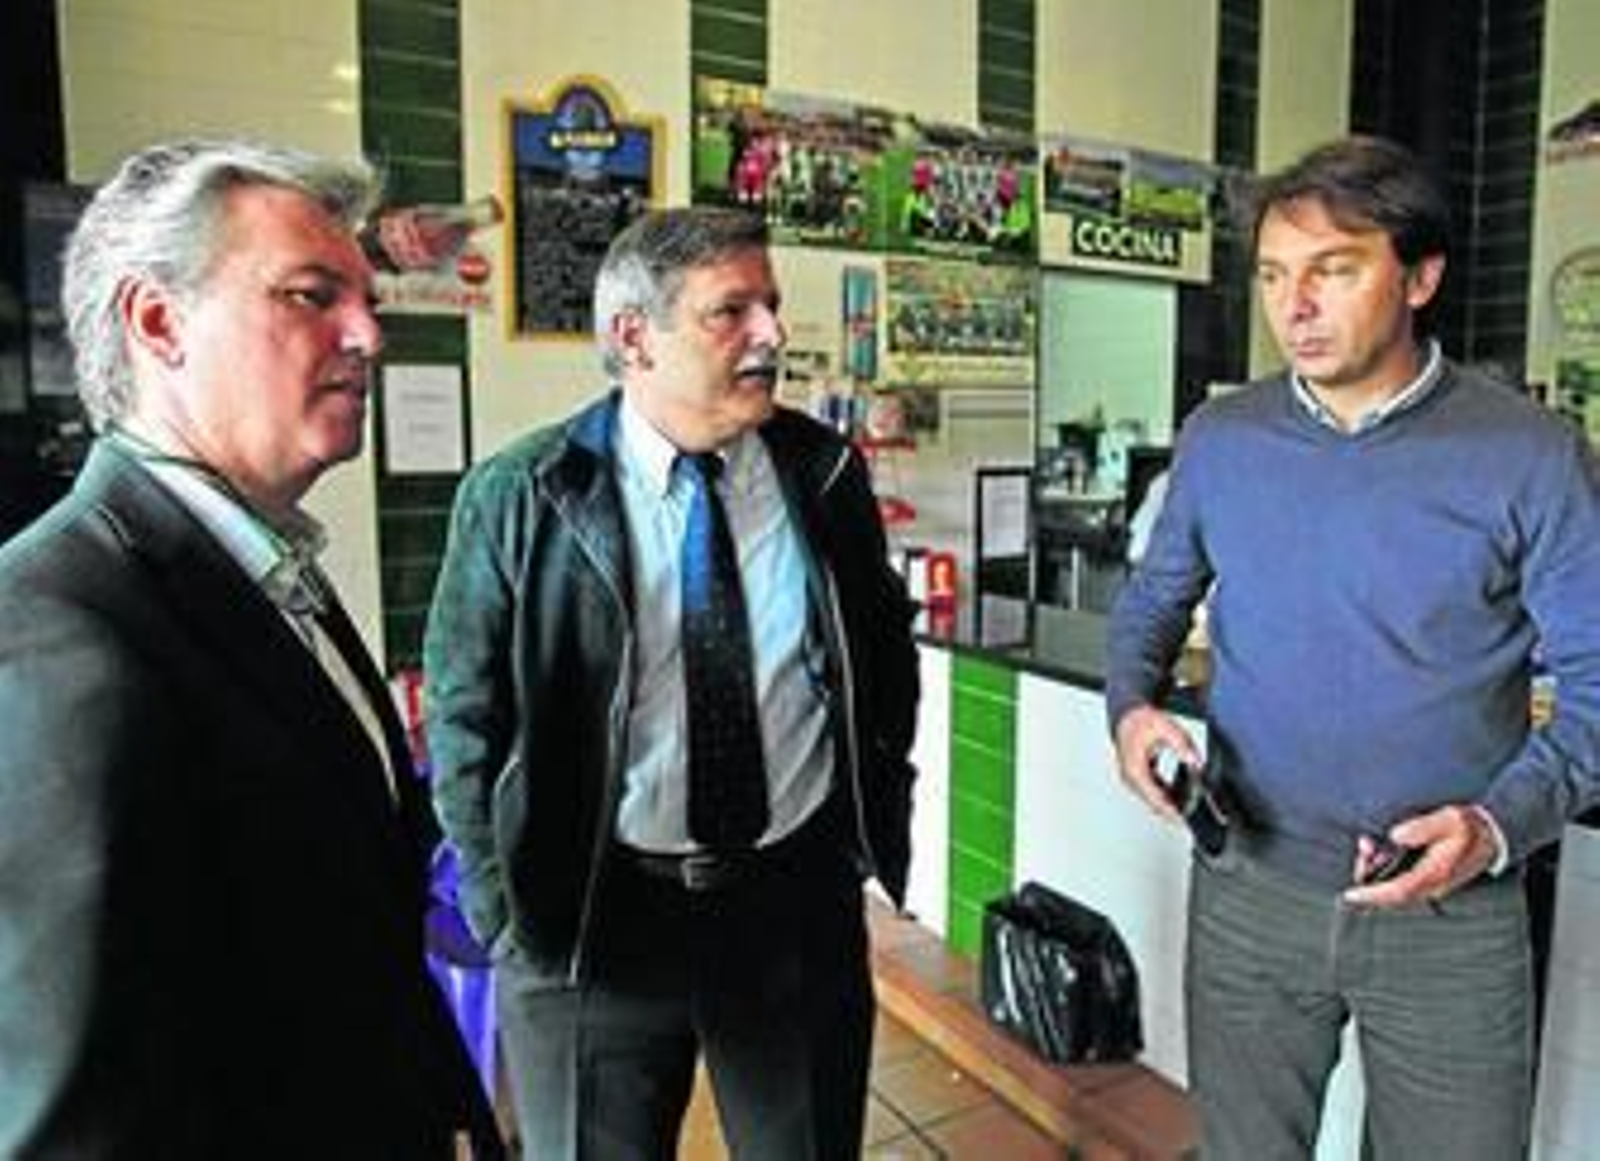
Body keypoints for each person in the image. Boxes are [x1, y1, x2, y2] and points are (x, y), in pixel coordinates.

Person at [0, 140, 503, 1159]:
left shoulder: (267, 564)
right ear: (158, 321)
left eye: (367, 298)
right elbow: (78, 1121)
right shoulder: (56, 630)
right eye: (311, 295)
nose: (369, 334)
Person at [1105, 135, 1600, 1160]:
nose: (1294, 306)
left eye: (1333, 270)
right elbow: (1152, 603)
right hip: (1249, 886)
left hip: (1452, 915)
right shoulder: (1223, 438)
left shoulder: (1530, 453)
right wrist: (1130, 706)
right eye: (1277, 276)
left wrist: (1497, 824)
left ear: (1420, 277)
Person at [424, 206, 919, 1159]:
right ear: (631, 337)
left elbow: (881, 657)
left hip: (790, 908)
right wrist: (509, 916)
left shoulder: (822, 474)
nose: (772, 335)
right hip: (595, 920)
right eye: (730, 311)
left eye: (770, 306)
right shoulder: (522, 494)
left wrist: (867, 823)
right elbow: (463, 723)